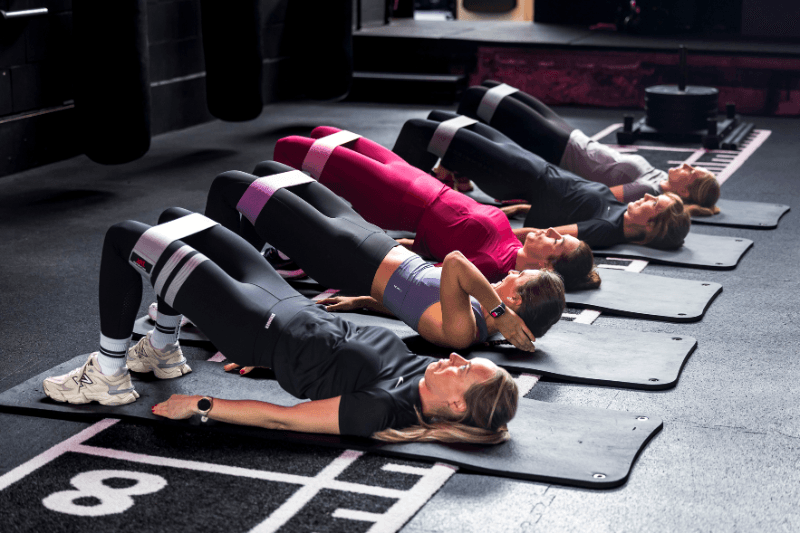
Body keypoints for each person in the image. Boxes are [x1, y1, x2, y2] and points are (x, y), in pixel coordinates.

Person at [42, 207, 518, 444]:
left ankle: (107, 375)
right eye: (463, 359)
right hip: (287, 300)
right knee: (177, 220)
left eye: (464, 369)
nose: (454, 357)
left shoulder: (381, 412)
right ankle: (163, 348)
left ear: (456, 403)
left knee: (124, 236)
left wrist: (201, 405)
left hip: (250, 325)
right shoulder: (419, 373)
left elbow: (281, 418)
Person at [203, 163, 565, 351]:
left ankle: (218, 293)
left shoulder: (465, 332)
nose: (512, 275)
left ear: (515, 299)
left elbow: (454, 262)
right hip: (369, 238)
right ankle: (248, 259)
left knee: (227, 184)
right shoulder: (476, 309)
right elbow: (418, 303)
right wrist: (364, 301)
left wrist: (499, 313)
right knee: (270, 171)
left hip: (340, 252)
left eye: (520, 279)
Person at [273, 127, 601, 291]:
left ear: (544, 264)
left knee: (288, 148)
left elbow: (421, 277)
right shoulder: (516, 244)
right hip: (417, 179)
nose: (554, 232)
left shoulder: (488, 268)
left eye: (558, 242)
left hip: (397, 198)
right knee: (323, 134)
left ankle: (286, 251)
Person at [392, 112, 691, 250]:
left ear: (651, 224)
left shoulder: (606, 228)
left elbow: (543, 233)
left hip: (516, 175)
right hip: (531, 165)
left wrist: (483, 229)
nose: (648, 197)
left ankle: (393, 203)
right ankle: (420, 187)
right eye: (654, 197)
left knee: (419, 130)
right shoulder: (618, 210)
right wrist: (511, 211)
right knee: (443, 119)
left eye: (653, 204)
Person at [457, 80, 721, 216]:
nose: (688, 164)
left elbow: (597, 196)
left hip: (559, 150)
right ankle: (456, 168)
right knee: (493, 88)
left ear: (685, 189)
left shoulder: (647, 190)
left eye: (692, 172)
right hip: (572, 136)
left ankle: (454, 171)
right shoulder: (659, 178)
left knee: (475, 98)